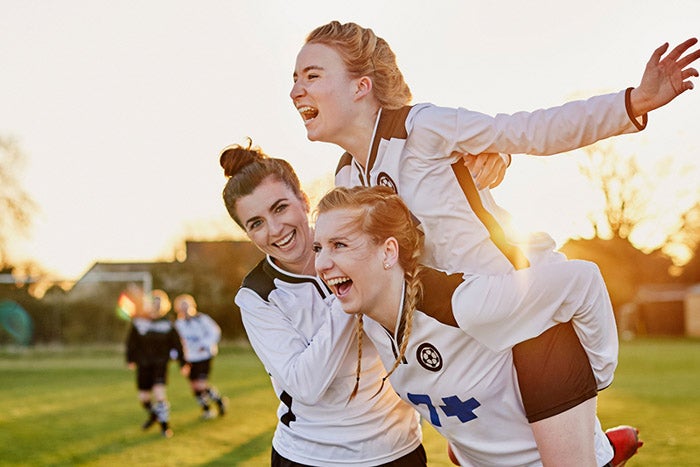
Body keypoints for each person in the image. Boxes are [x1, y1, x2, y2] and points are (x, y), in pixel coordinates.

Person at [290, 20, 697, 463]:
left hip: (517, 311)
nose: (296, 91)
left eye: (312, 76)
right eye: (294, 79)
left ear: (361, 86)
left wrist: (633, 102)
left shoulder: (422, 128)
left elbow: (529, 130)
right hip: (458, 342)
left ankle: (596, 442)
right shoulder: (348, 175)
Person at [313, 185, 630, 466]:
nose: (322, 263)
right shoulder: (365, 316)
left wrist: (597, 374)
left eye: (339, 245)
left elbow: (582, 280)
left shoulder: (465, 304)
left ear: (388, 251)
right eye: (319, 248)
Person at [220, 141, 429, 466]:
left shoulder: (362, 240)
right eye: (256, 223)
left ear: (303, 201)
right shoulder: (257, 296)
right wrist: (348, 289)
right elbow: (305, 385)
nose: (275, 230)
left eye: (280, 208)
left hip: (396, 449)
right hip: (308, 456)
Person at [125, 289, 183, 438]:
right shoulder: (139, 321)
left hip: (160, 364)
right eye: (153, 303)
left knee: (159, 394)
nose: (155, 306)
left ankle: (165, 426)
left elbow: (177, 344)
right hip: (143, 363)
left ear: (164, 305)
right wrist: (130, 359)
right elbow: (131, 342)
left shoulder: (167, 323)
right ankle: (154, 415)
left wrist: (183, 362)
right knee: (144, 398)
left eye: (159, 303)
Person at [173, 293, 227, 419]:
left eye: (186, 305)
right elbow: (176, 342)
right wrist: (177, 355)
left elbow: (215, 332)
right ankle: (207, 409)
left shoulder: (202, 319)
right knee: (194, 386)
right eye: (182, 306)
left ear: (192, 306)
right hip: (189, 357)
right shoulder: (178, 324)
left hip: (204, 356)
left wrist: (205, 344)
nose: (185, 309)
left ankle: (218, 401)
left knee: (200, 384)